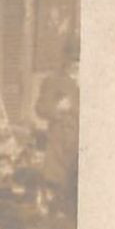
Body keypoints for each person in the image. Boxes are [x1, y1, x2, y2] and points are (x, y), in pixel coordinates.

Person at [35, 32, 79, 214]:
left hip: (84, 143)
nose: (77, 64)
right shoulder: (54, 81)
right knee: (57, 188)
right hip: (61, 143)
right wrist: (58, 108)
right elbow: (40, 108)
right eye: (74, 59)